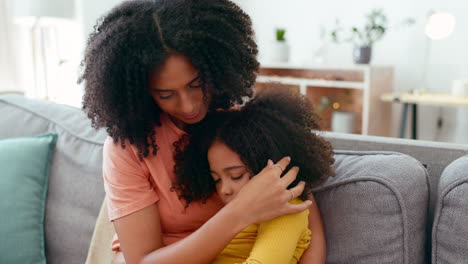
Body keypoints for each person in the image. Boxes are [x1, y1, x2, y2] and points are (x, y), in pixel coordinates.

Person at [79, 0, 327, 263]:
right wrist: (240, 212)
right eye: (166, 94)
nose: (189, 106)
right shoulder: (129, 147)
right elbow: (142, 260)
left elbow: (305, 218)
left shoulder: (244, 125)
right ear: (142, 93)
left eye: (196, 84)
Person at [173, 89, 335, 264]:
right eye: (216, 180)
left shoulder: (287, 210)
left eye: (236, 176)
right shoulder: (233, 219)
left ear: (269, 168)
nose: (224, 190)